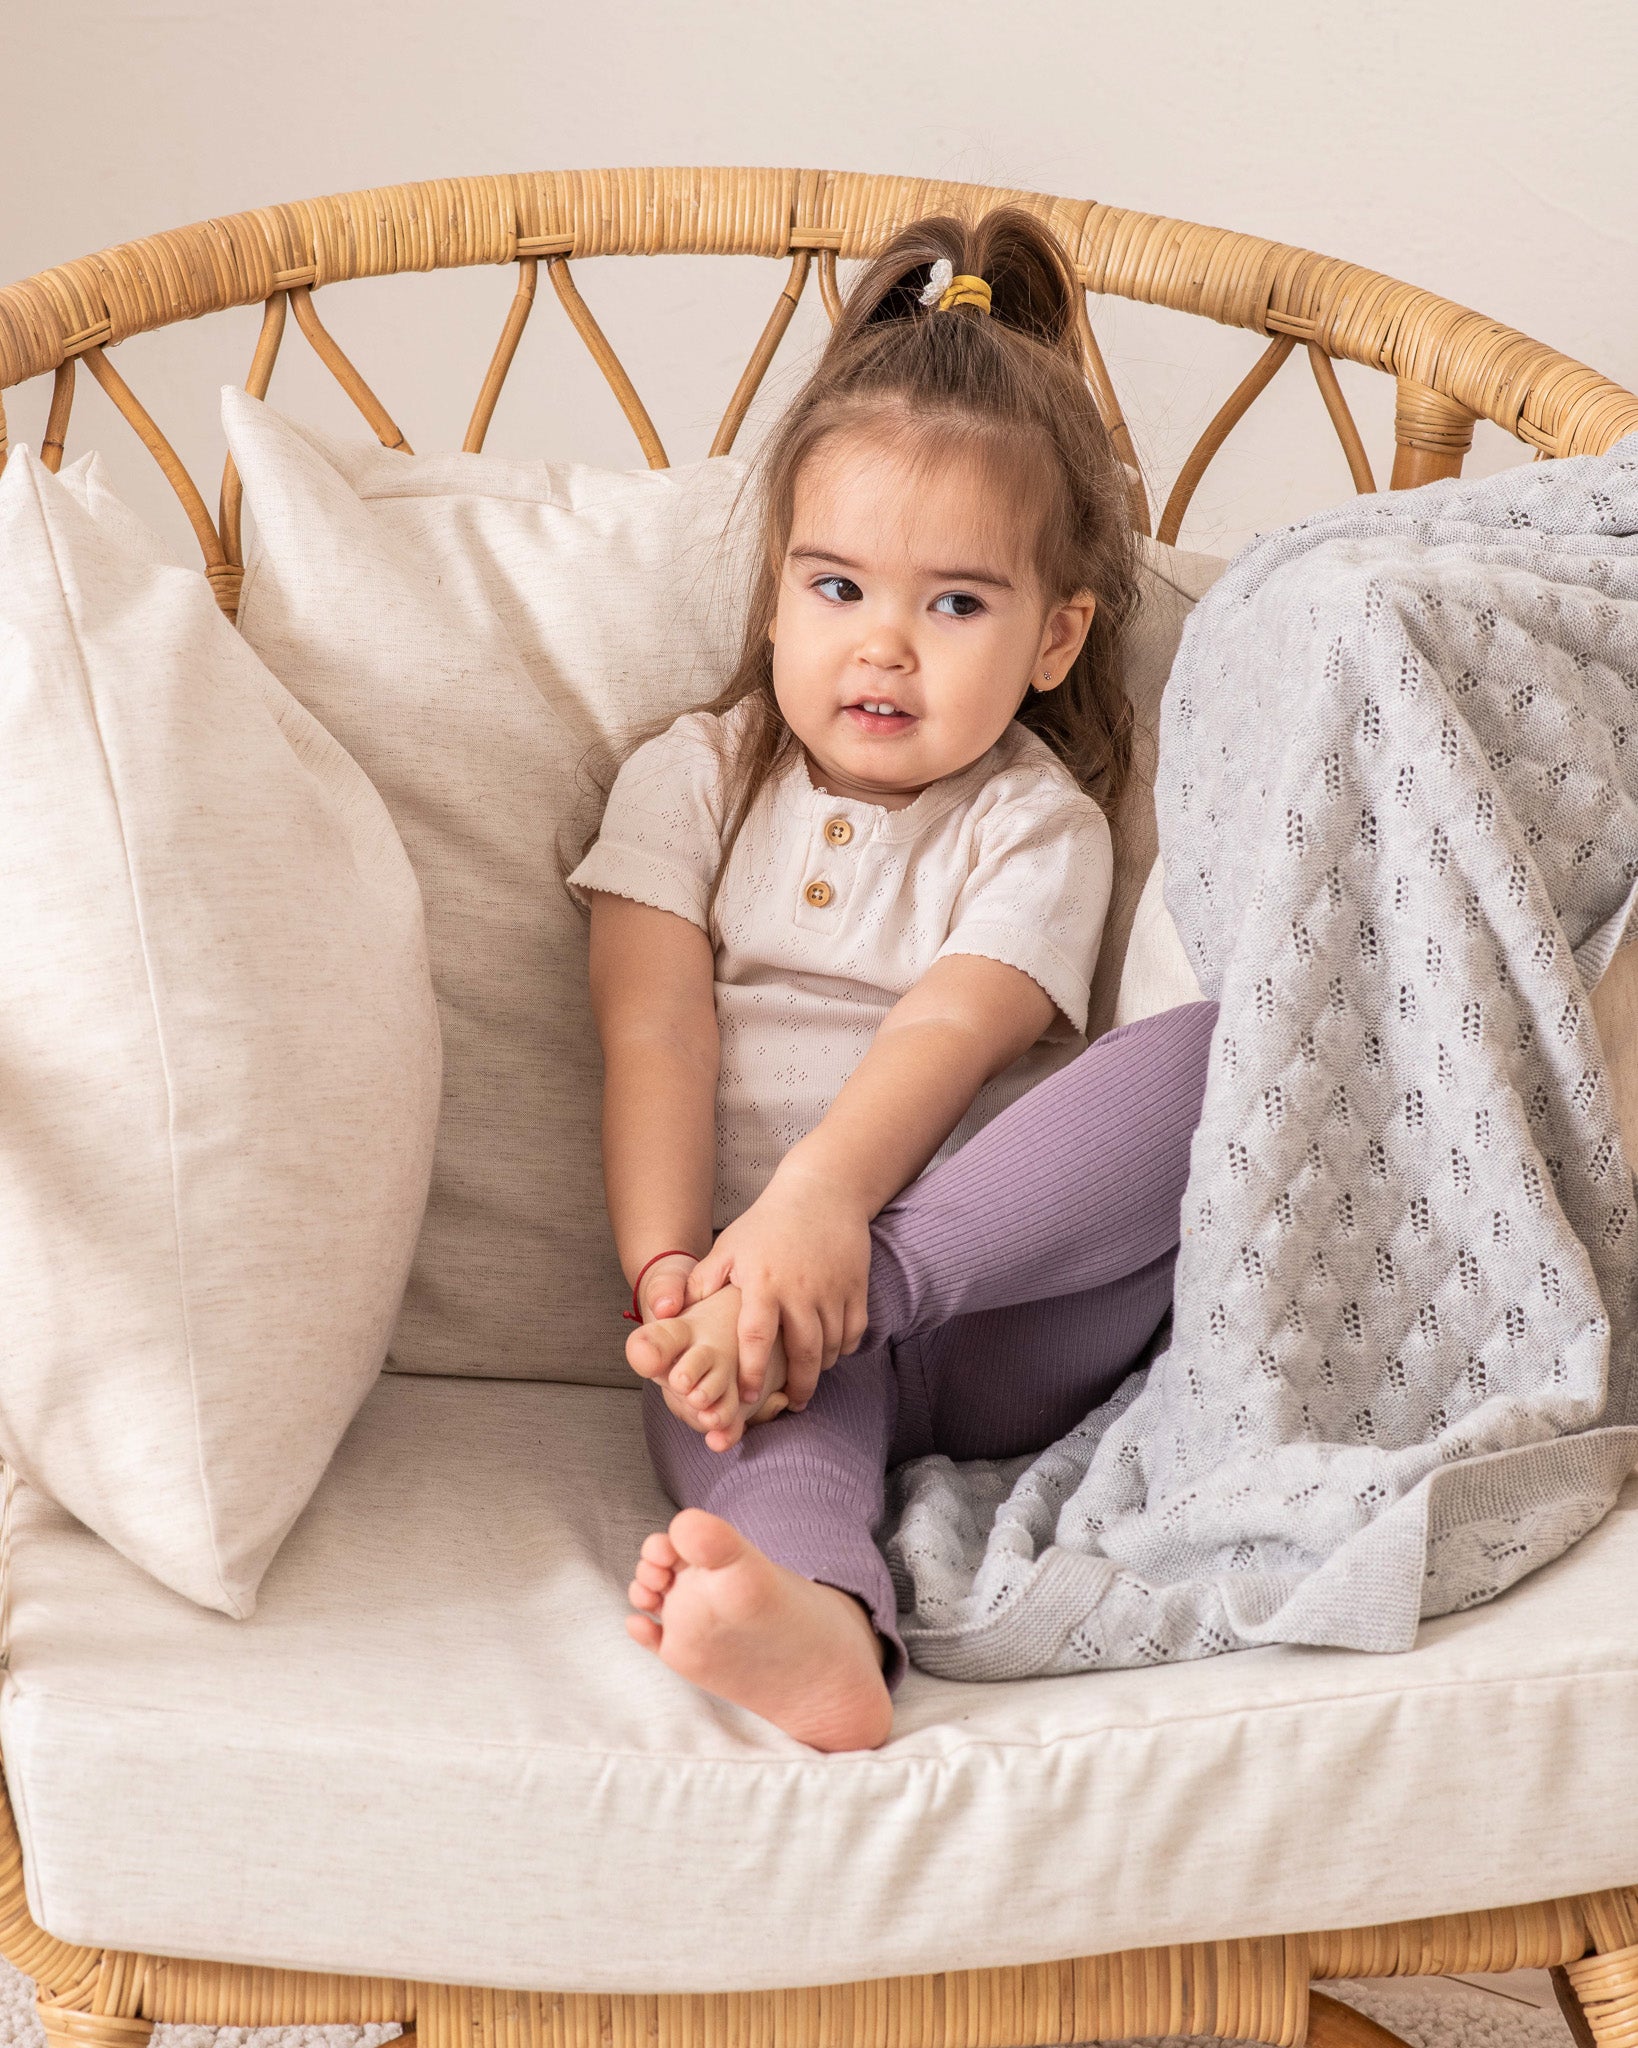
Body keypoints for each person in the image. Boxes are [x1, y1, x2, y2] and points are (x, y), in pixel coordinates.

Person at [568, 208, 1218, 1752]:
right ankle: (819, 1627)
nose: (886, 649)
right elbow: (647, 1024)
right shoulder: (694, 779)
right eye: (839, 588)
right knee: (753, 1437)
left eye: (956, 604)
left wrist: (828, 1229)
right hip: (762, 1334)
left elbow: (952, 1023)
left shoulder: (1029, 821)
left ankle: (842, 1302)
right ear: (778, 597)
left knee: (1208, 1058)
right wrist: (675, 1281)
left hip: (994, 1308)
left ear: (1056, 638)